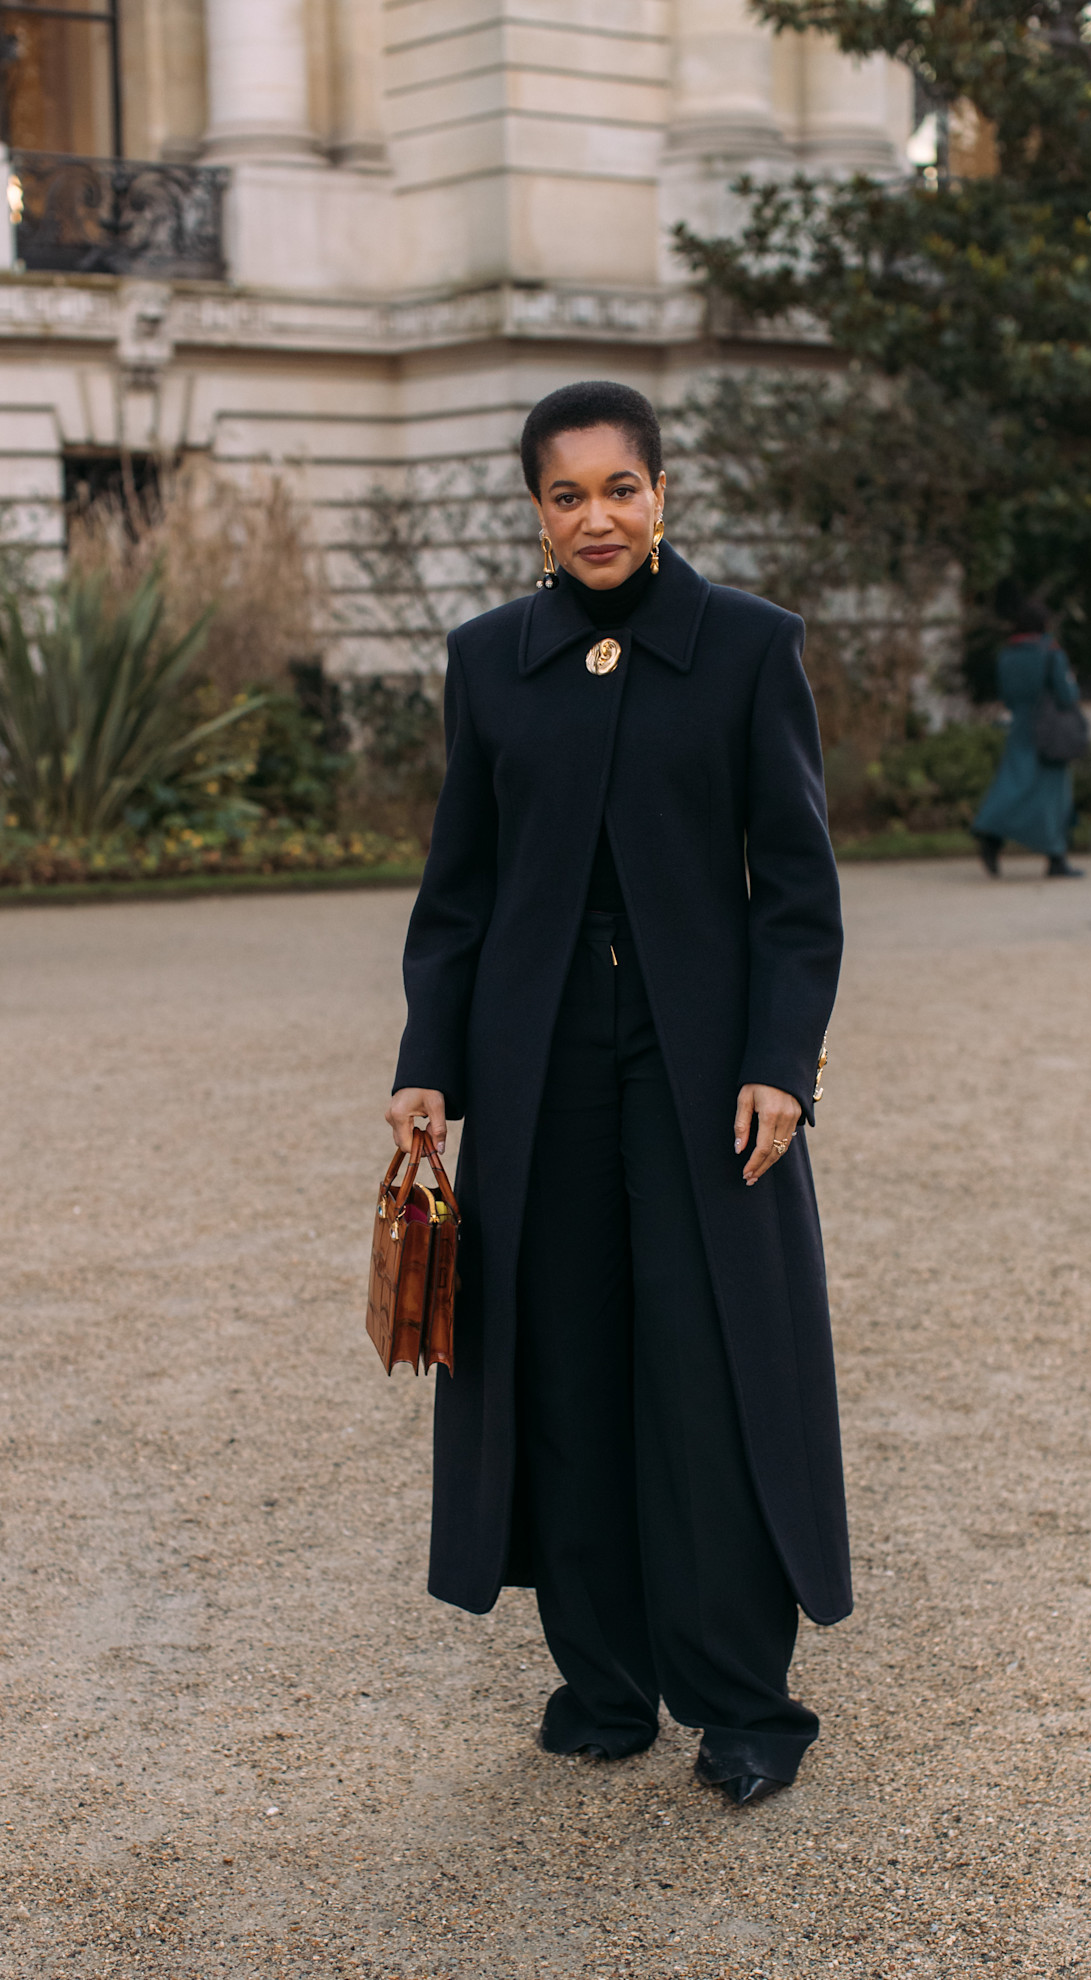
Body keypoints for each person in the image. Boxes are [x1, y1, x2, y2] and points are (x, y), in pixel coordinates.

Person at [386, 380, 849, 1808]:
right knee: (560, 1361)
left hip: (704, 1068)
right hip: (533, 1070)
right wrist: (427, 1059)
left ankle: (738, 1700)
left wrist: (783, 1057)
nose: (598, 516)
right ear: (535, 510)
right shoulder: (487, 661)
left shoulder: (751, 651)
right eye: (567, 493)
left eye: (622, 489)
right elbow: (457, 889)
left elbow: (799, 896)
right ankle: (601, 1682)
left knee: (708, 1370)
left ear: (664, 496)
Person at [972, 600, 1085, 878]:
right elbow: (1066, 695)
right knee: (1053, 795)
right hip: (1049, 731)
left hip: (1020, 726)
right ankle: (1056, 857)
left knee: (1011, 785)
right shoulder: (1049, 652)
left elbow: (1008, 697)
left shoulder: (1008, 655)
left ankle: (991, 833)